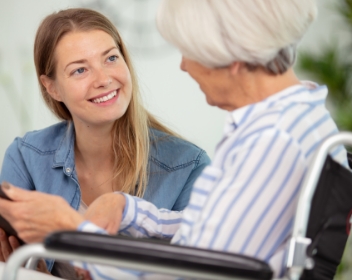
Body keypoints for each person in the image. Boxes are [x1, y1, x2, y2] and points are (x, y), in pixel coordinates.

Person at [0, 0, 351, 279]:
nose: (184, 65)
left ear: (227, 54)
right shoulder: (301, 118)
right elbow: (215, 228)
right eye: (80, 68)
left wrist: (74, 230)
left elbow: (195, 272)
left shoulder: (269, 145)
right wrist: (129, 207)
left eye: (189, 49)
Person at [0, 7, 210, 277]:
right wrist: (33, 274)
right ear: (52, 87)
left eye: (111, 58)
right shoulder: (26, 157)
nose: (103, 79)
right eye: (79, 70)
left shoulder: (188, 167)